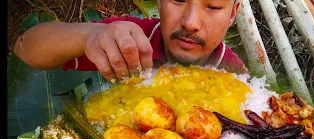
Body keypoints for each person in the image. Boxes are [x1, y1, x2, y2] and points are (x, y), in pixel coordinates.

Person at [14, 0, 247, 83]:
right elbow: (24, 47)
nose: (191, 22)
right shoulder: (130, 39)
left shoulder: (235, 75)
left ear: (232, 14)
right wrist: (89, 35)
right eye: (177, 0)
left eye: (214, 6)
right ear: (159, 2)